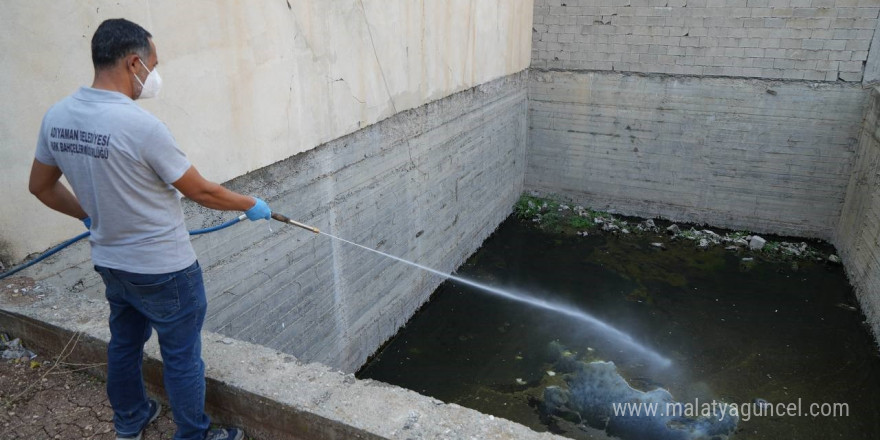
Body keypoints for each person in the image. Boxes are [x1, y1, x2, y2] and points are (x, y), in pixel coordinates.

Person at [28, 18, 264, 440]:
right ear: (134, 62)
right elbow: (201, 191)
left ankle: (131, 420)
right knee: (182, 358)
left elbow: (40, 187)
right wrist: (251, 204)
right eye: (153, 65)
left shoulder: (57, 116)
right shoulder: (141, 126)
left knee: (124, 344)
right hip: (166, 270)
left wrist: (88, 214)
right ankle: (193, 434)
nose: (154, 76)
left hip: (112, 263)